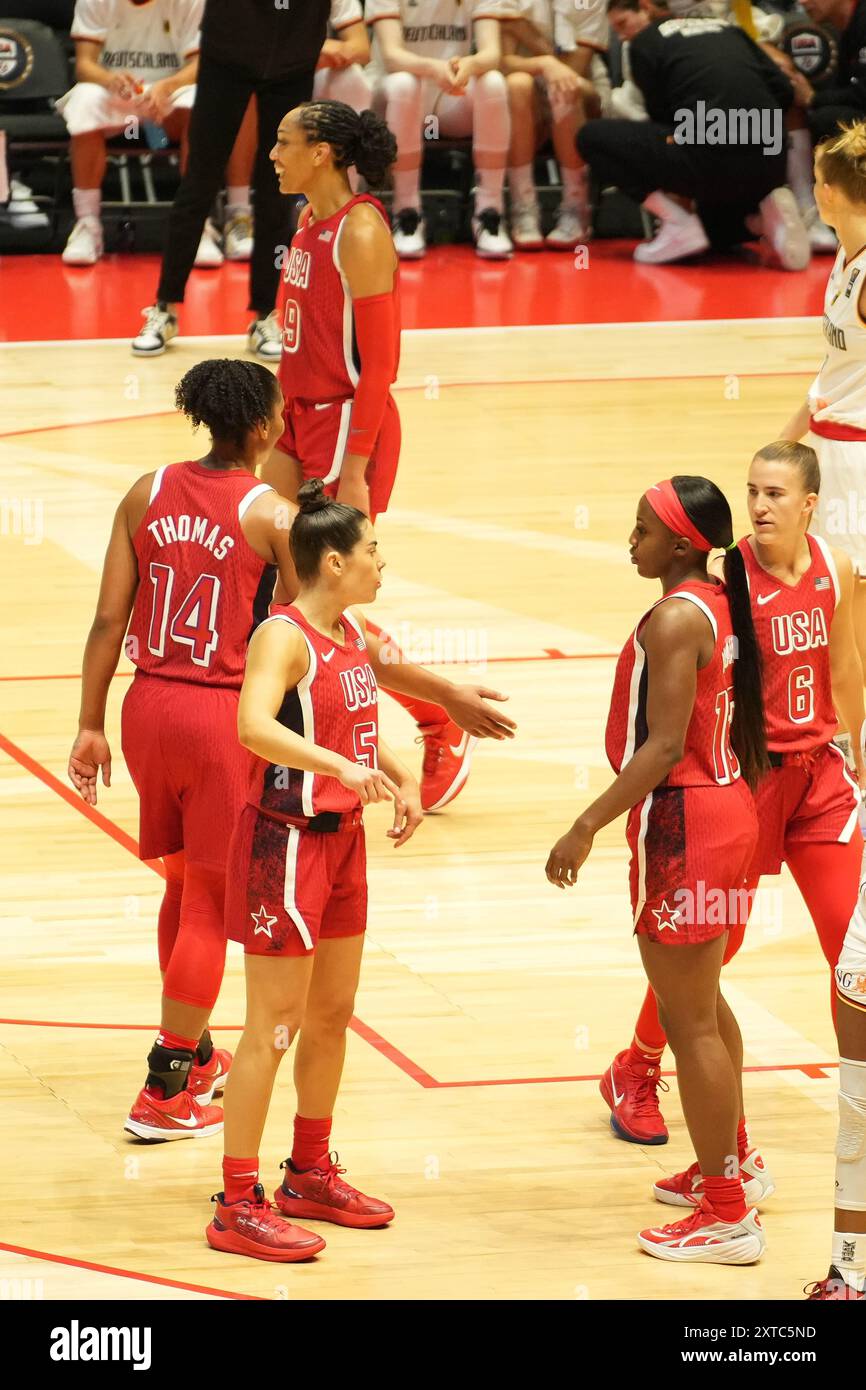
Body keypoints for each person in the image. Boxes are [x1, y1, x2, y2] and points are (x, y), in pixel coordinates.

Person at [601, 446, 865, 1215]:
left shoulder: (836, 568)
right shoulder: (729, 580)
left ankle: (855, 1105)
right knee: (709, 960)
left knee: (851, 943)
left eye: (775, 493)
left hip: (818, 779)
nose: (760, 505)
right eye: (752, 492)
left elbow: (846, 673)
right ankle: (639, 1066)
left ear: (810, 502)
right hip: (745, 780)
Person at [67, 359, 301, 1139]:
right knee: (207, 898)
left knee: (180, 886)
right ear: (264, 427)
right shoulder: (274, 516)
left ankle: (196, 1055)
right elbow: (305, 629)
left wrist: (89, 722)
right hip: (220, 721)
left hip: (145, 708)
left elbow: (108, 621)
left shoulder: (148, 490)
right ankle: (165, 1092)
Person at [261, 98, 517, 809]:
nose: (272, 154)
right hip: (299, 417)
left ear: (322, 152)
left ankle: (438, 719)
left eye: (284, 141)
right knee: (268, 578)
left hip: (347, 423)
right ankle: (297, 730)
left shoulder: (363, 228)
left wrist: (358, 465)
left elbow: (379, 366)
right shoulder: (308, 221)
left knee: (318, 599)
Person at [546, 476, 769, 1264]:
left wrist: (585, 824)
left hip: (684, 821)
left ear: (680, 543)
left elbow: (664, 743)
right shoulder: (716, 598)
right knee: (703, 1004)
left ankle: (727, 1211)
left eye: (641, 530)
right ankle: (734, 1160)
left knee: (688, 1023)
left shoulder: (676, 617)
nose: (628, 541)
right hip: (727, 807)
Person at [206, 480, 422, 1262]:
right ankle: (236, 1202)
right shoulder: (283, 635)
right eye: (371, 551)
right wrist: (341, 765)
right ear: (333, 562)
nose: (380, 561)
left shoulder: (349, 633)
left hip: (343, 842)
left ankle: (308, 1172)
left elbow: (352, 722)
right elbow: (254, 725)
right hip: (286, 843)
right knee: (273, 1026)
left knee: (332, 1015)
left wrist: (400, 772)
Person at [129, 0, 331, 361]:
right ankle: (165, 308)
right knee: (200, 181)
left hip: (293, 61)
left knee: (277, 189)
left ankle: (265, 314)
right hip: (227, 57)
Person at [583, 1, 809, 268]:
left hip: (709, 159)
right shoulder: (730, 29)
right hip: (771, 161)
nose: (621, 36)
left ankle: (676, 222)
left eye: (622, 24)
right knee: (712, 232)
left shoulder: (645, 42)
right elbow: (783, 90)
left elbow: (663, 120)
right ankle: (761, 217)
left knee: (590, 137)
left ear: (645, 8)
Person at [781, 122, 866, 697]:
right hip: (829, 447)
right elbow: (834, 370)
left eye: (815, 181)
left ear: (832, 193)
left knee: (852, 613)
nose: (813, 189)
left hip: (857, 459)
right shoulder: (844, 256)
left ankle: (852, 746)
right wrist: (789, 436)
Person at [57, 0, 213, 267]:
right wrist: (109, 79)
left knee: (202, 103)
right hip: (118, 94)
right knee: (84, 99)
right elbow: (83, 65)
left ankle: (197, 226)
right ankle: (87, 225)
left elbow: (201, 65)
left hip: (169, 93)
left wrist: (167, 86)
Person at [365, 0, 514, 258]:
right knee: (404, 83)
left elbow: (491, 54)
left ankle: (489, 214)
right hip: (393, 94)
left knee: (493, 82)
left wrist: (471, 65)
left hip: (449, 94)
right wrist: (433, 68)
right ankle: (407, 213)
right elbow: (392, 57)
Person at [500, 0, 601, 249]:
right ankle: (524, 208)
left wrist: (526, 33)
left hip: (582, 89)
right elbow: (503, 64)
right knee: (516, 84)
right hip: (525, 92)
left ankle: (576, 206)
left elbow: (573, 69)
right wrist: (545, 63)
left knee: (564, 88)